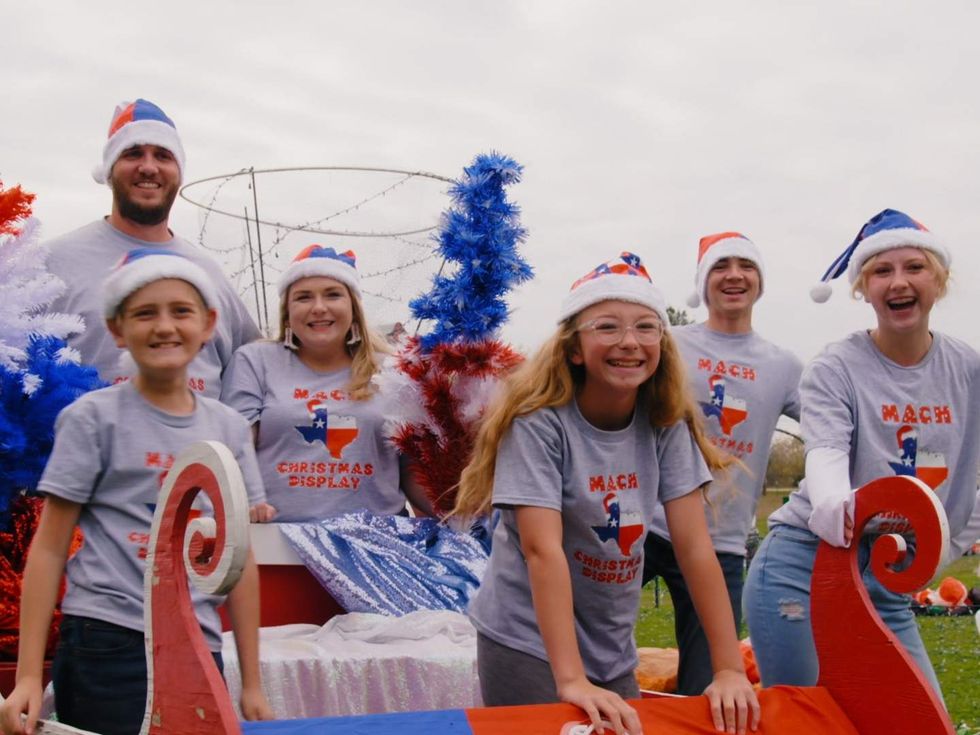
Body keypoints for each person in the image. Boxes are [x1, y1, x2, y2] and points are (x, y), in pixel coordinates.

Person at [455, 253, 760, 735]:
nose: (629, 343)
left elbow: (695, 548)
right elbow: (541, 550)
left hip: (612, 647)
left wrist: (727, 669)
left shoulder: (664, 423)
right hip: (527, 640)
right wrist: (572, 679)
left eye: (645, 327)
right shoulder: (539, 424)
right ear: (574, 348)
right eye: (606, 327)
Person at [0, 249, 274, 735]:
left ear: (209, 323)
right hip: (105, 641)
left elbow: (241, 560)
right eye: (145, 313)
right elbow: (49, 547)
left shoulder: (229, 428)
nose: (164, 326)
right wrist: (26, 677)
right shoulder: (92, 419)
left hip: (198, 644)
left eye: (181, 311)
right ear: (117, 329)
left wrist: (251, 682)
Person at [743, 209, 980, 697]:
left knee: (920, 717)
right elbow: (826, 450)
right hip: (803, 568)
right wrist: (834, 503)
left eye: (914, 267)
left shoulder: (969, 371)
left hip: (887, 580)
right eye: (881, 271)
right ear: (862, 288)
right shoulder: (837, 365)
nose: (898, 283)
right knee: (810, 721)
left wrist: (937, 556)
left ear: (939, 280)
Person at [642, 232, 802, 695]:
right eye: (720, 266)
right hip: (645, 528)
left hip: (723, 543)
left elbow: (834, 427)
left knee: (711, 686)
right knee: (587, 651)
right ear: (703, 282)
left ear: (760, 282)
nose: (734, 275)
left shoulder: (783, 365)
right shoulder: (668, 343)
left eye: (746, 266)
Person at [45, 98, 260, 396]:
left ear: (178, 172)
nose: (148, 167)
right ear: (110, 170)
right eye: (133, 154)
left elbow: (256, 369)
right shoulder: (53, 263)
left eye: (162, 156)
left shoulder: (208, 273)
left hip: (201, 441)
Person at [220, 245, 432, 521]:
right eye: (303, 297)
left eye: (333, 295)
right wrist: (244, 504)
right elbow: (236, 449)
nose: (319, 308)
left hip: (377, 545)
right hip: (275, 541)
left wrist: (458, 514)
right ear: (287, 310)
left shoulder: (392, 369)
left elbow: (411, 468)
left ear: (353, 307)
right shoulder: (254, 360)